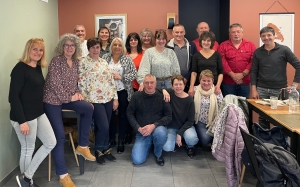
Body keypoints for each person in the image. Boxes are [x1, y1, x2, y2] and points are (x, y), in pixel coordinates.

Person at [43, 33, 95, 187]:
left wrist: (78, 94)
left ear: (76, 47)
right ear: (62, 47)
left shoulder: (76, 63)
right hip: (52, 101)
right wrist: (70, 98)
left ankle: (83, 145)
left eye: (72, 45)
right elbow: (55, 85)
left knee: (88, 108)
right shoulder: (56, 61)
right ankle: (63, 174)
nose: (70, 48)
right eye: (67, 45)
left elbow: (73, 84)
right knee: (59, 136)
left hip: (67, 99)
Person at [9, 38, 56, 187]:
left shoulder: (37, 67)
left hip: (37, 113)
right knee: (28, 148)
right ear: (28, 50)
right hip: (23, 116)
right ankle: (27, 183)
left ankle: (26, 177)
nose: (38, 52)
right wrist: (22, 121)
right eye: (34, 49)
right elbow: (13, 97)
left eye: (40, 50)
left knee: (50, 142)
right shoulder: (19, 68)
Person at [78, 37, 119, 165]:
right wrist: (86, 101)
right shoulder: (83, 63)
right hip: (93, 100)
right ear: (88, 49)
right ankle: (98, 151)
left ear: (100, 48)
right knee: (103, 126)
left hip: (108, 98)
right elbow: (81, 84)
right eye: (92, 47)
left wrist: (115, 98)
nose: (95, 50)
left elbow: (111, 81)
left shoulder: (103, 62)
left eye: (97, 47)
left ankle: (105, 149)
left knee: (106, 127)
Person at [251, 26, 300, 128]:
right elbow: (254, 71)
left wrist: (294, 85)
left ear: (274, 36)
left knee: (281, 119)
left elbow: (298, 65)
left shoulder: (284, 50)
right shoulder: (257, 52)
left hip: (279, 89)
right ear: (261, 38)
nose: (266, 38)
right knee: (263, 118)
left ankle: (281, 143)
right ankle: (264, 142)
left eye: (269, 35)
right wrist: (253, 89)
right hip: (262, 89)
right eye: (263, 36)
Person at [127, 74, 172, 166]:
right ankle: (148, 144)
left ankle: (158, 152)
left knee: (161, 133)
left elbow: (169, 116)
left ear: (156, 84)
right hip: (142, 131)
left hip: (157, 128)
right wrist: (138, 128)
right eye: (147, 83)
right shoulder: (137, 96)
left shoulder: (162, 96)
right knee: (137, 160)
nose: (149, 85)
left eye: (152, 83)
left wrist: (154, 125)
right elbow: (129, 113)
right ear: (143, 84)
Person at [102, 37, 137, 154]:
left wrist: (121, 77)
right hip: (108, 92)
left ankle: (121, 139)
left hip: (123, 91)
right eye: (115, 45)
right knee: (110, 116)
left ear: (122, 47)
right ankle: (111, 138)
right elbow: (100, 72)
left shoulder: (127, 59)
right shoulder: (105, 58)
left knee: (123, 116)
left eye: (119, 45)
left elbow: (134, 74)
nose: (117, 47)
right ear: (111, 46)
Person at [162, 75, 198, 158]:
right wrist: (164, 90)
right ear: (172, 86)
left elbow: (190, 121)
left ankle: (190, 146)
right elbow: (156, 90)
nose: (178, 87)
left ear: (184, 85)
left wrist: (179, 133)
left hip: (186, 126)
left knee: (192, 138)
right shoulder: (170, 93)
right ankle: (176, 141)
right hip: (172, 127)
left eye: (180, 84)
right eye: (176, 84)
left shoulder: (189, 99)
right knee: (167, 148)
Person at [218, 23, 256, 98]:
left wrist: (242, 74)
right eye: (233, 32)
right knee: (229, 106)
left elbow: (253, 61)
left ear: (242, 33)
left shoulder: (251, 45)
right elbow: (222, 61)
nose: (236, 34)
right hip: (228, 82)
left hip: (244, 82)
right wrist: (233, 75)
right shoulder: (223, 45)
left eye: (238, 32)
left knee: (244, 106)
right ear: (230, 34)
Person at [188, 31, 223, 97]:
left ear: (212, 42)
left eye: (208, 41)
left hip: (214, 87)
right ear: (201, 41)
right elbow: (194, 72)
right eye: (204, 40)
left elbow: (220, 72)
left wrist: (218, 86)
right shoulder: (196, 56)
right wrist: (191, 86)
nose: (206, 42)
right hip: (199, 87)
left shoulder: (217, 55)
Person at [194, 70, 223, 147]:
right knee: (205, 140)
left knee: (220, 138)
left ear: (212, 81)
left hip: (214, 121)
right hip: (200, 121)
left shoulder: (217, 91)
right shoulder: (194, 90)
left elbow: (221, 108)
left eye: (208, 81)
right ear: (200, 80)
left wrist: (214, 121)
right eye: (203, 80)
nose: (206, 83)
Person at [125, 32, 144, 144]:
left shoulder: (143, 54)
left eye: (135, 39)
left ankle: (138, 133)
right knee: (128, 111)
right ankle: (128, 134)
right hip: (127, 88)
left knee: (138, 112)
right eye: (131, 40)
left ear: (138, 41)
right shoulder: (124, 54)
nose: (133, 41)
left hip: (139, 87)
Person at [166, 24, 197, 92]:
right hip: (171, 82)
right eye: (177, 32)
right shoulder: (167, 46)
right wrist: (174, 79)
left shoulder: (192, 45)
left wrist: (186, 78)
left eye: (181, 32)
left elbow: (194, 64)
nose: (179, 34)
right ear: (173, 33)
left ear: (184, 32)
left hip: (187, 81)